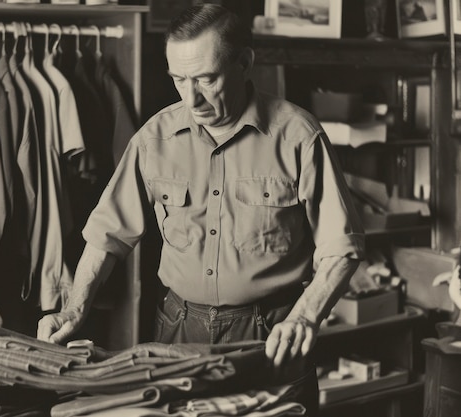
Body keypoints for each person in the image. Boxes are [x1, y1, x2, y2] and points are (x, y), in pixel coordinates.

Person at [38, 4, 364, 414]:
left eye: (206, 79)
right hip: (178, 331)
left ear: (244, 62)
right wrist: (75, 305)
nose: (191, 98)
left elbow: (341, 248)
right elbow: (107, 233)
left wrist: (305, 317)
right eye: (178, 80)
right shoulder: (154, 140)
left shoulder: (299, 138)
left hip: (268, 335)